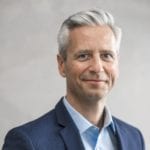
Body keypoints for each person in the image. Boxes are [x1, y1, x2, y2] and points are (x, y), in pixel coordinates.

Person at [2, 9, 145, 150]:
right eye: (83, 56)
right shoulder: (28, 142)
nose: (97, 67)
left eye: (106, 55)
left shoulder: (134, 138)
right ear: (62, 64)